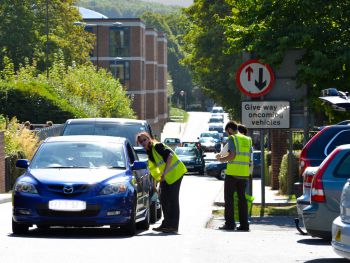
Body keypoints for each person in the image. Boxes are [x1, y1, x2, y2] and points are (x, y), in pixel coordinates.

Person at [137, 131, 187, 233]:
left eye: (144, 139)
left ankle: (173, 226)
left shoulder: (157, 146)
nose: (143, 142)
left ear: (149, 138)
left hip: (176, 173)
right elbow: (155, 170)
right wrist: (155, 185)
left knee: (173, 200)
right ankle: (166, 224)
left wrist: (165, 173)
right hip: (167, 177)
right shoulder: (150, 152)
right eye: (141, 141)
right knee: (164, 199)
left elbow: (170, 156)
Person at [216, 120, 252, 231]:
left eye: (227, 132)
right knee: (242, 200)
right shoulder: (248, 139)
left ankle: (230, 224)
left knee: (229, 199)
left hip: (232, 174)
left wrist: (222, 159)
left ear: (230, 130)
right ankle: (244, 225)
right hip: (244, 174)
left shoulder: (233, 138)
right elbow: (249, 156)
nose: (228, 134)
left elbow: (232, 155)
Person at [238, 124, 254, 196]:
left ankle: (245, 205)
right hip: (246, 171)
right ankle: (246, 205)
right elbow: (251, 158)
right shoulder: (249, 141)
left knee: (243, 193)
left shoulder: (238, 141)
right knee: (245, 193)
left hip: (240, 171)